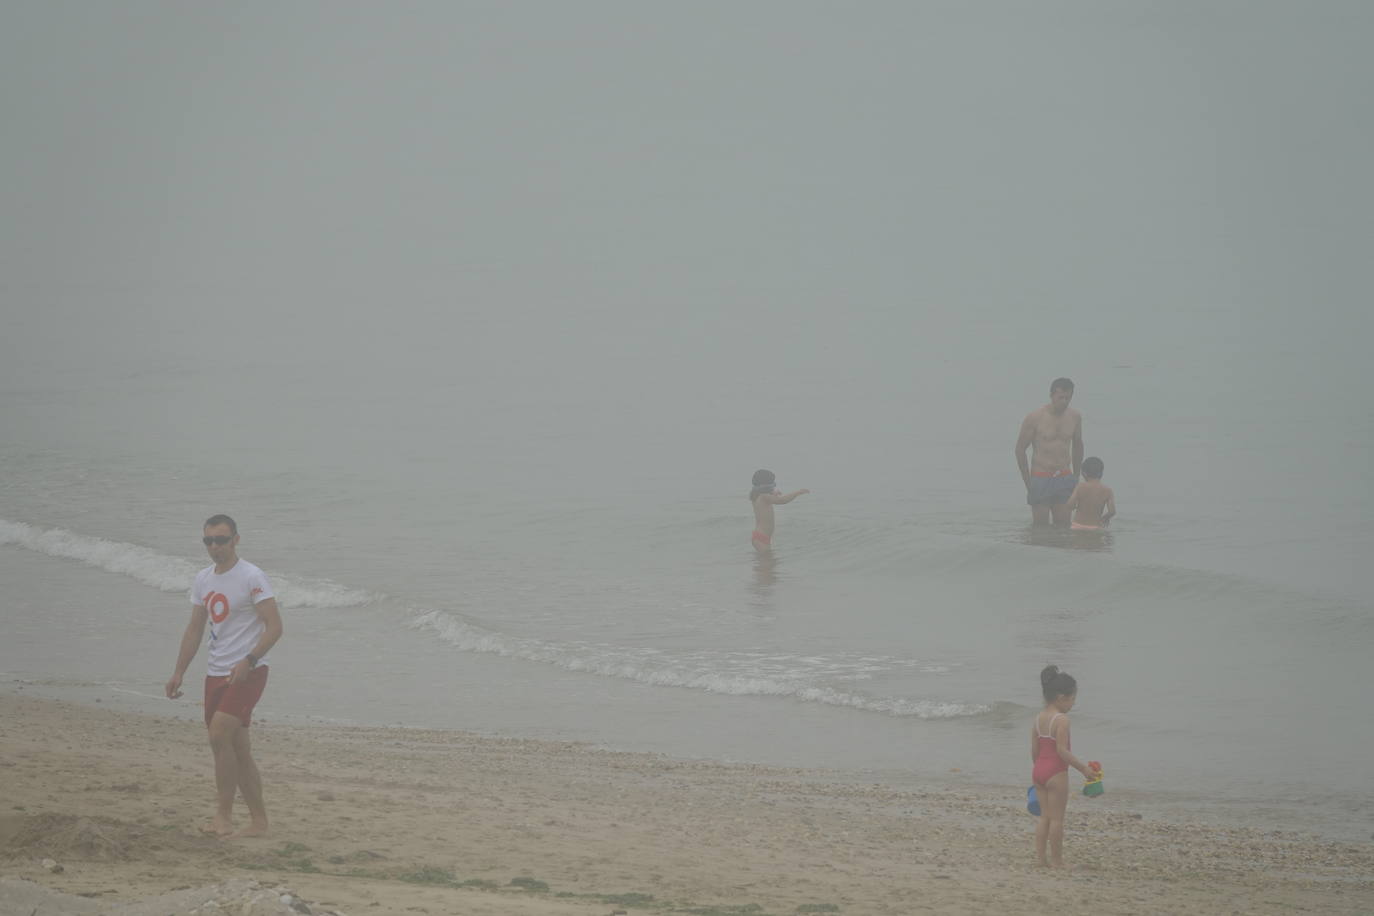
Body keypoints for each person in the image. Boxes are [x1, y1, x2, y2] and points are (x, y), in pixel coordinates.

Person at [165, 514, 283, 838]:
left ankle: (223, 817)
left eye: (221, 540)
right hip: (215, 671)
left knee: (218, 734)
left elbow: (275, 626)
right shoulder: (203, 579)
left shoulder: (252, 577)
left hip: (249, 671)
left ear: (235, 540)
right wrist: (178, 672)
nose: (215, 547)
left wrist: (250, 659)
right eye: (209, 541)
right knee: (237, 747)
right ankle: (259, 822)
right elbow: (194, 629)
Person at [1030, 665, 1098, 868]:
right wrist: (1083, 769)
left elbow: (1034, 750)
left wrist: (1039, 770)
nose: (1073, 703)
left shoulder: (1038, 718)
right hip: (1056, 772)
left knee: (1044, 817)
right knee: (1057, 820)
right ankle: (1058, 861)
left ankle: (1041, 860)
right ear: (1061, 698)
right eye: (1072, 699)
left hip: (1039, 770)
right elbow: (1062, 751)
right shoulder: (1062, 720)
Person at [1015, 378, 1084, 526]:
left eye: (1068, 397)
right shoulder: (1034, 418)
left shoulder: (1075, 417)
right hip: (1041, 477)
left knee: (1064, 528)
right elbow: (1020, 449)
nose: (1064, 401)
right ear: (1052, 395)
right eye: (1061, 397)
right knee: (1040, 529)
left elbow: (1078, 445)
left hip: (1064, 476)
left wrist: (1076, 476)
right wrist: (1028, 482)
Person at [748, 469, 809, 551]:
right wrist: (797, 492)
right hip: (761, 537)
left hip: (759, 536)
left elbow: (767, 498)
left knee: (766, 562)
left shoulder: (756, 496)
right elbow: (782, 500)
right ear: (766, 484)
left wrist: (774, 494)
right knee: (768, 562)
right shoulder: (764, 496)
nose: (773, 485)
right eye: (772, 483)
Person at [1066, 456, 1115, 531]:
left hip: (1078, 526)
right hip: (1096, 527)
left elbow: (1070, 505)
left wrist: (1074, 506)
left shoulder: (1080, 487)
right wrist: (1104, 518)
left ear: (1084, 473)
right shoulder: (1107, 491)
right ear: (1101, 473)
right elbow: (1112, 511)